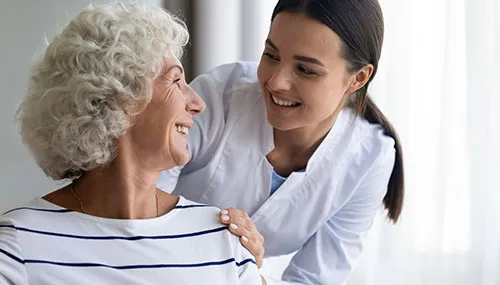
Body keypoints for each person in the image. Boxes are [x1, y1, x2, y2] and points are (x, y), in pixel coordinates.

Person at [0, 4, 263, 285]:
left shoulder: (222, 241)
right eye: (176, 80)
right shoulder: (19, 248)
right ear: (121, 98)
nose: (197, 103)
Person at [157, 0, 405, 284]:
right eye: (271, 55)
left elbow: (313, 279)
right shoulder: (214, 99)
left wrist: (247, 273)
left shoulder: (372, 158)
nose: (276, 82)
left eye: (305, 70)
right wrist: (222, 244)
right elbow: (137, 206)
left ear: (358, 78)